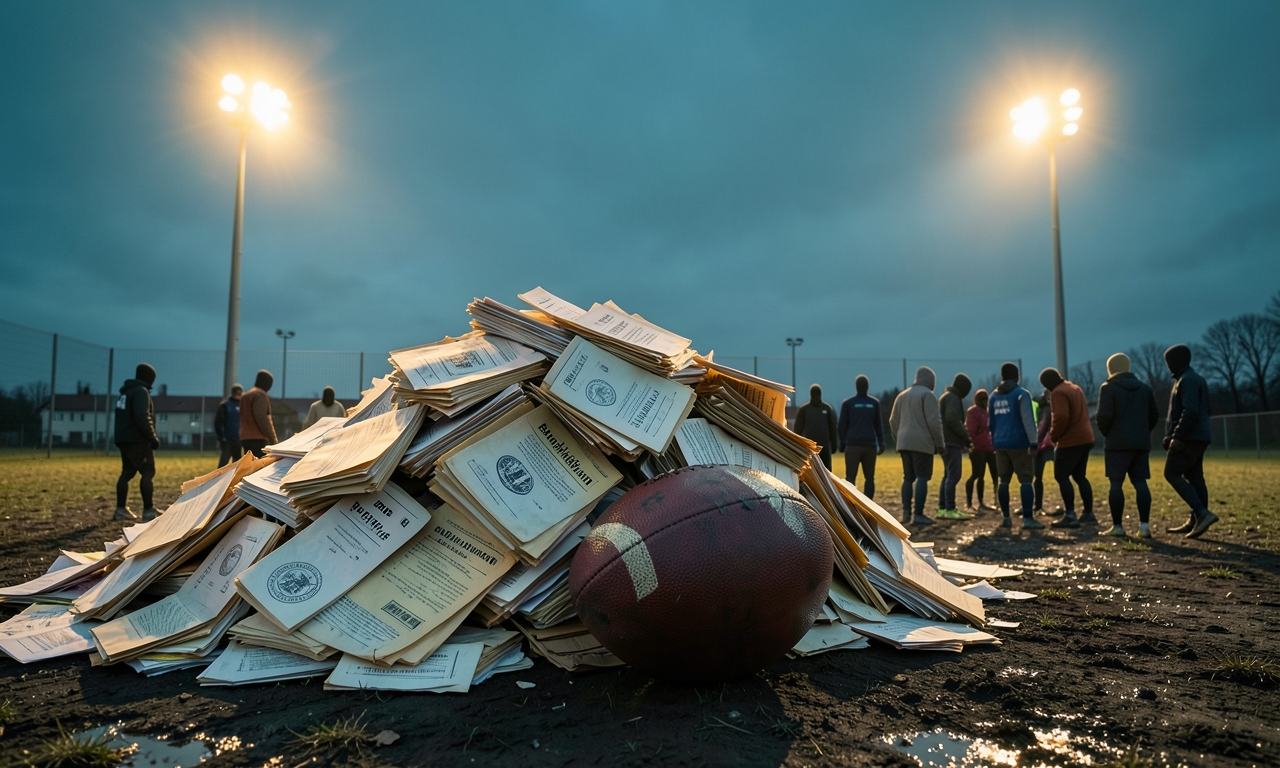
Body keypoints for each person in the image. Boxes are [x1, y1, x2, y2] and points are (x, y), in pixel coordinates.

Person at [1096, 353, 1159, 537]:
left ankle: (1117, 527)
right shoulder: (1145, 389)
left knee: (1116, 484)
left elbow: (1104, 416)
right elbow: (1153, 415)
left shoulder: (1108, 388)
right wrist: (1142, 432)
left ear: (1111, 368)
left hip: (1116, 444)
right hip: (1140, 443)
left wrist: (1108, 432)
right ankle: (1144, 527)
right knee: (1140, 482)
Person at [1161, 344, 1218, 539]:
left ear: (1178, 361)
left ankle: (1202, 514)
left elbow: (1190, 410)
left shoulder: (1187, 380)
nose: (1168, 366)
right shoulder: (1195, 378)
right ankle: (1196, 519)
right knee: (1195, 477)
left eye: (1170, 362)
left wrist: (1177, 435)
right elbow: (1207, 409)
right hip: (1199, 436)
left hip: (1189, 437)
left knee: (1171, 473)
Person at [1040, 367, 1097, 529]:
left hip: (1070, 440)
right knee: (1080, 476)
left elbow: (1061, 417)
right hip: (1086, 437)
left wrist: (1053, 436)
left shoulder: (1058, 392)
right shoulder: (1074, 388)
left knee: (1062, 476)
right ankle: (1088, 513)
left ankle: (1070, 515)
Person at [889, 366, 945, 526]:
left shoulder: (902, 396)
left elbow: (892, 421)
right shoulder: (928, 395)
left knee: (908, 477)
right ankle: (918, 514)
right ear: (930, 381)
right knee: (922, 477)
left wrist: (899, 437)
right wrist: (940, 444)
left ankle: (906, 514)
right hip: (922, 443)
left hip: (903, 443)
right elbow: (935, 423)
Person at [988, 362, 1040, 529]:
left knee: (1003, 480)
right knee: (1025, 480)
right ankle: (1027, 519)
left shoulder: (993, 397)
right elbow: (1028, 420)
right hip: (1020, 444)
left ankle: (1006, 518)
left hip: (1000, 444)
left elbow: (991, 423)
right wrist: (1033, 442)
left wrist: (995, 442)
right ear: (1017, 376)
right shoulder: (1022, 394)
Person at [113, 363, 160, 522]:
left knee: (127, 473)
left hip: (123, 439)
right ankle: (148, 510)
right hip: (138, 440)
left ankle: (120, 510)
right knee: (148, 472)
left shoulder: (125, 393)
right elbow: (142, 416)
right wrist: (152, 437)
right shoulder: (141, 392)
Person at [837, 375, 883, 498]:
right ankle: (869, 505)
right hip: (870, 445)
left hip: (852, 446)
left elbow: (842, 426)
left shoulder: (848, 404)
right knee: (869, 478)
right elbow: (878, 425)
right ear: (867, 387)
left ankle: (851, 504)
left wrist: (842, 443)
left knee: (850, 478)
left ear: (856, 387)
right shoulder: (874, 403)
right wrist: (881, 443)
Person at [936, 373, 973, 519]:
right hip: (951, 442)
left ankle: (942, 508)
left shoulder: (945, 396)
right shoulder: (952, 398)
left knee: (947, 476)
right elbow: (952, 418)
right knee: (954, 476)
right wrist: (966, 438)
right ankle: (950, 509)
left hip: (945, 441)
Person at [965, 389, 998, 511]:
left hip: (990, 448)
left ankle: (995, 501)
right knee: (977, 475)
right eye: (983, 399)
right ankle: (970, 503)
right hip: (978, 448)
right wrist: (974, 442)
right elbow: (971, 431)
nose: (985, 402)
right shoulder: (972, 412)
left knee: (995, 475)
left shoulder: (988, 412)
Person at [794, 384, 839, 470]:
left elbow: (832, 427)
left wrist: (834, 445)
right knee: (809, 472)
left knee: (826, 472)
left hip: (824, 448)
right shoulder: (804, 410)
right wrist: (797, 445)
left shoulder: (827, 408)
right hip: (809, 449)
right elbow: (797, 430)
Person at [239, 369, 278, 458]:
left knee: (249, 465)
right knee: (260, 467)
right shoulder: (260, 395)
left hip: (244, 436)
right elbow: (262, 417)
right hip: (258, 437)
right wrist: (273, 439)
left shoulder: (245, 396)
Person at [1032, 393, 1053, 513]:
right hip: (1049, 443)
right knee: (1062, 477)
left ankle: (1037, 505)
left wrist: (1036, 442)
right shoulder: (1048, 408)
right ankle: (1068, 508)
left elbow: (1042, 426)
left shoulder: (1044, 409)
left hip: (1043, 444)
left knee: (1037, 476)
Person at [214, 384, 243, 468]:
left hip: (237, 440)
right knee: (223, 465)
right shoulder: (225, 406)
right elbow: (218, 423)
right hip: (228, 441)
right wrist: (222, 437)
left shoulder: (242, 406)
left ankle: (234, 481)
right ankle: (218, 480)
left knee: (237, 466)